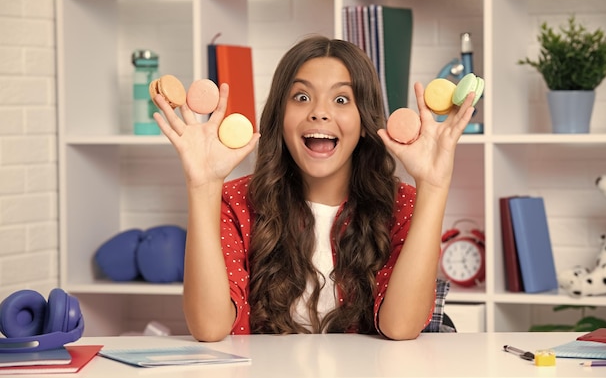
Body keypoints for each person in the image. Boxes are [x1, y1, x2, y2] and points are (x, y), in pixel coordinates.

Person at [152, 35, 475, 342]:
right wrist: (203, 186)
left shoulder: (402, 203)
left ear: (364, 122)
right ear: (279, 116)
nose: (319, 112)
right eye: (302, 97)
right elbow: (209, 327)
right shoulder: (236, 202)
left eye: (341, 99)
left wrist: (433, 186)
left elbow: (401, 326)